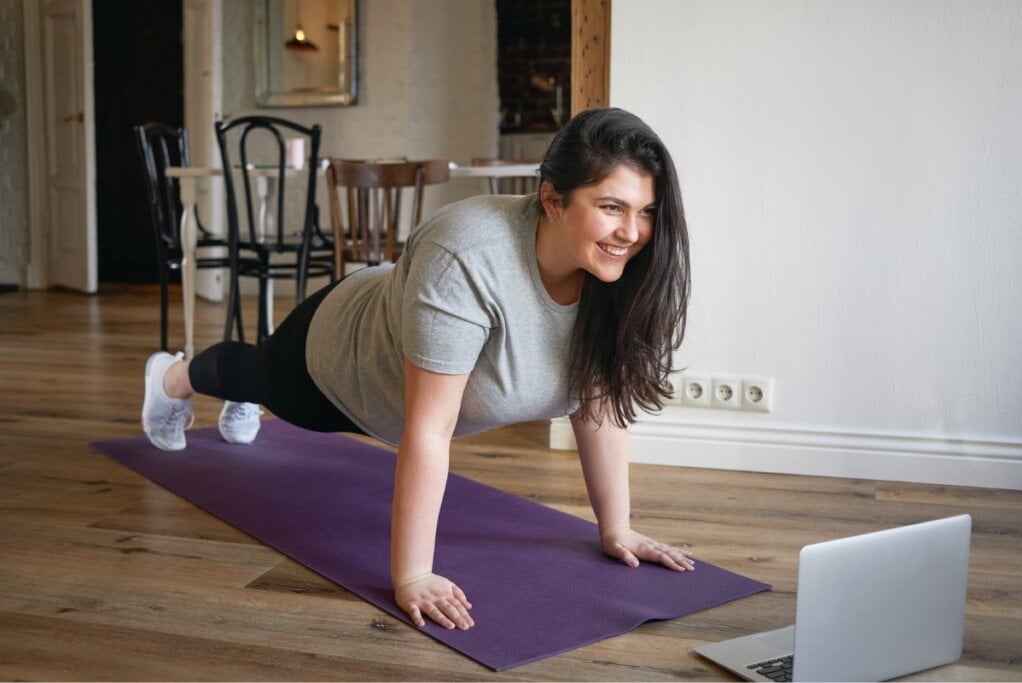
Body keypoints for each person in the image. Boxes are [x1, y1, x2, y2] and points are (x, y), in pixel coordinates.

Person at [141, 107, 694, 631]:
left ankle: (227, 387)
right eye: (612, 207)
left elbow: (596, 404)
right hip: (339, 359)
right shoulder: (470, 255)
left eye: (646, 212)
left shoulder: (617, 273)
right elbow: (429, 430)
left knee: (251, 377)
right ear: (552, 199)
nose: (632, 232)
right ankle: (174, 378)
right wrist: (412, 575)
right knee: (252, 373)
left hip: (408, 309)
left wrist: (615, 528)